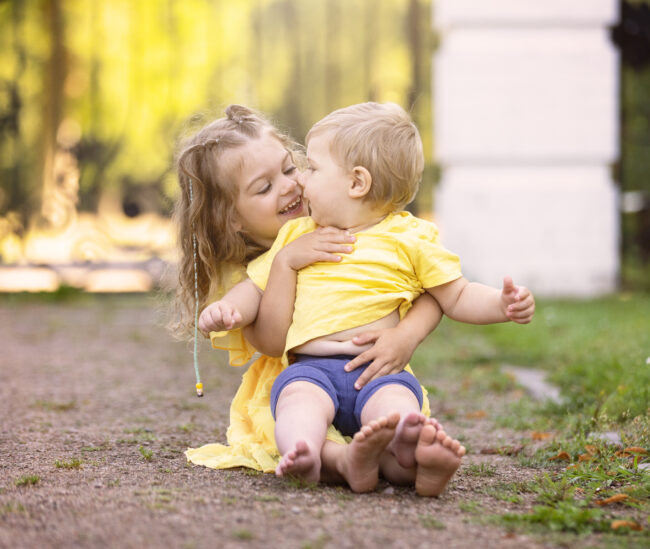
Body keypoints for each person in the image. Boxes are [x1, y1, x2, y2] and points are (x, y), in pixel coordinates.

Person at [200, 102, 535, 496]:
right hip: (312, 369)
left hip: (381, 372)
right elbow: (254, 289)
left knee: (396, 409)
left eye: (309, 169)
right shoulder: (297, 237)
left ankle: (417, 457)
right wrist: (229, 309)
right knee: (296, 404)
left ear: (357, 183)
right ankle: (304, 454)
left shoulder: (411, 238)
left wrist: (501, 304)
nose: (301, 182)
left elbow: (455, 294)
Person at [176, 105, 446, 485]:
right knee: (291, 419)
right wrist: (283, 264)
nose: (290, 185)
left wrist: (406, 335)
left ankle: (405, 460)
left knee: (390, 419)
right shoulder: (267, 262)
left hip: (372, 374)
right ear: (231, 217)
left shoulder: (354, 222)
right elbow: (271, 339)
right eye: (265, 187)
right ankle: (343, 460)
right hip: (302, 381)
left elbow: (437, 290)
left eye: (290, 169)